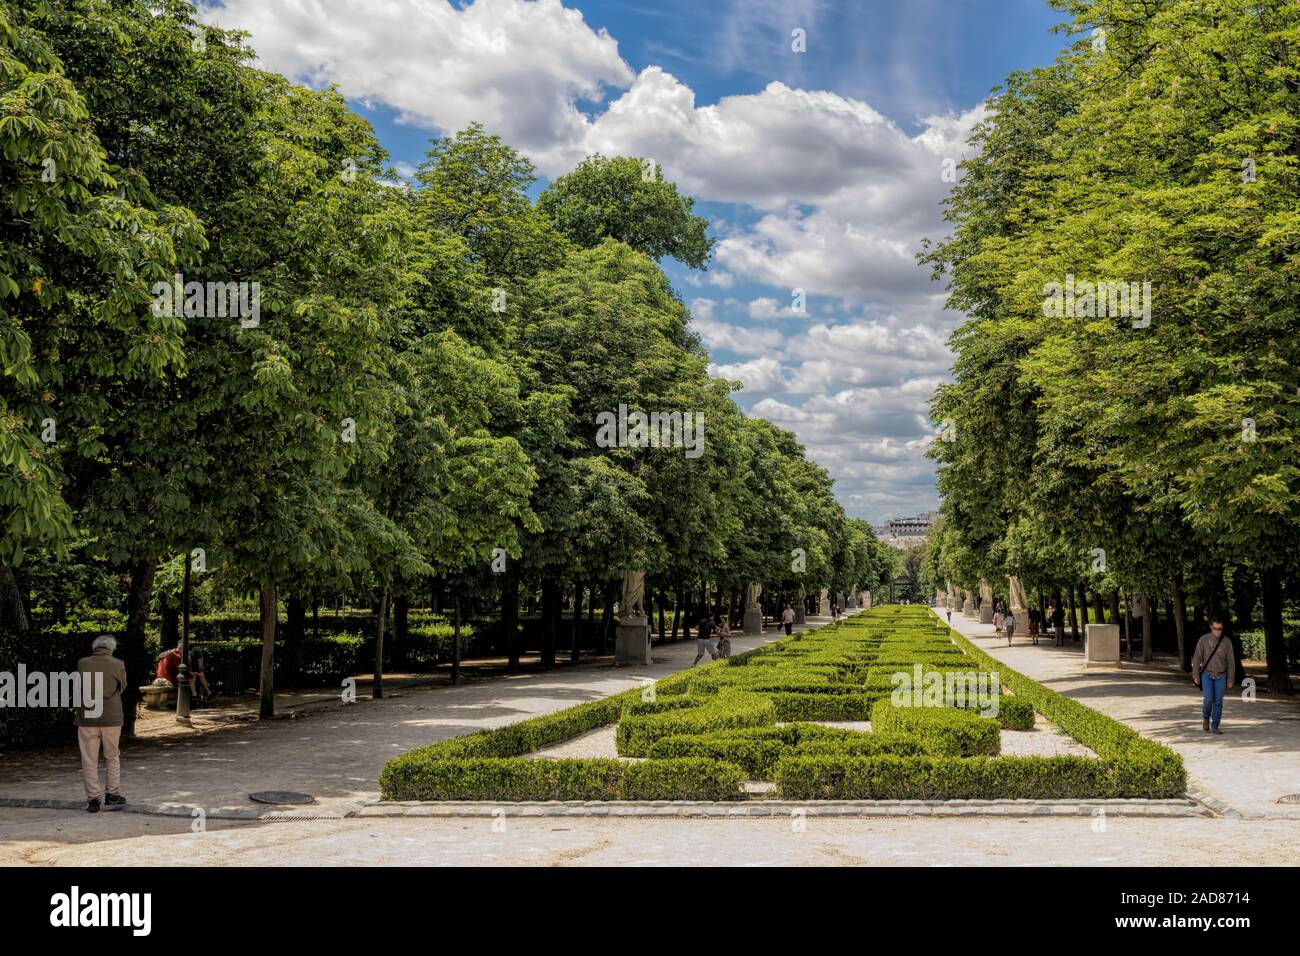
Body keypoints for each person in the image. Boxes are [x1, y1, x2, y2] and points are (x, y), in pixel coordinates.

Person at [76, 635, 128, 813]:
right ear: (111, 649)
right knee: (112, 756)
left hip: (87, 717)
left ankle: (93, 799)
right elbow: (123, 687)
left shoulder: (82, 663)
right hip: (111, 718)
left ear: (94, 647)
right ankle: (112, 794)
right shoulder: (118, 664)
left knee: (89, 760)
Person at [1192, 617, 1235, 734]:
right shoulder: (1203, 640)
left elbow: (1231, 661)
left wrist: (1231, 679)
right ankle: (1205, 718)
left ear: (1222, 628)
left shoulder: (1227, 642)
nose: (1217, 631)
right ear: (1211, 627)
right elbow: (1197, 658)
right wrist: (1195, 675)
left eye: (1219, 629)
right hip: (1207, 674)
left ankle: (1215, 726)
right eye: (1215, 628)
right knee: (1208, 699)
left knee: (1218, 701)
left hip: (1221, 675)